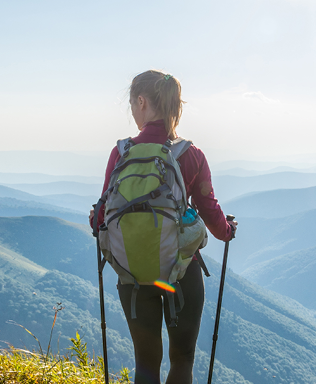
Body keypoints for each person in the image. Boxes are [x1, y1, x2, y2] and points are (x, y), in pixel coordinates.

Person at [89, 69, 237, 384]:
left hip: (132, 274)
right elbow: (209, 207)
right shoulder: (190, 154)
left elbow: (100, 217)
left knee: (145, 364)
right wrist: (227, 231)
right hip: (181, 270)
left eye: (131, 104)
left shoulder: (121, 153)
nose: (132, 111)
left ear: (141, 101)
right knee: (181, 360)